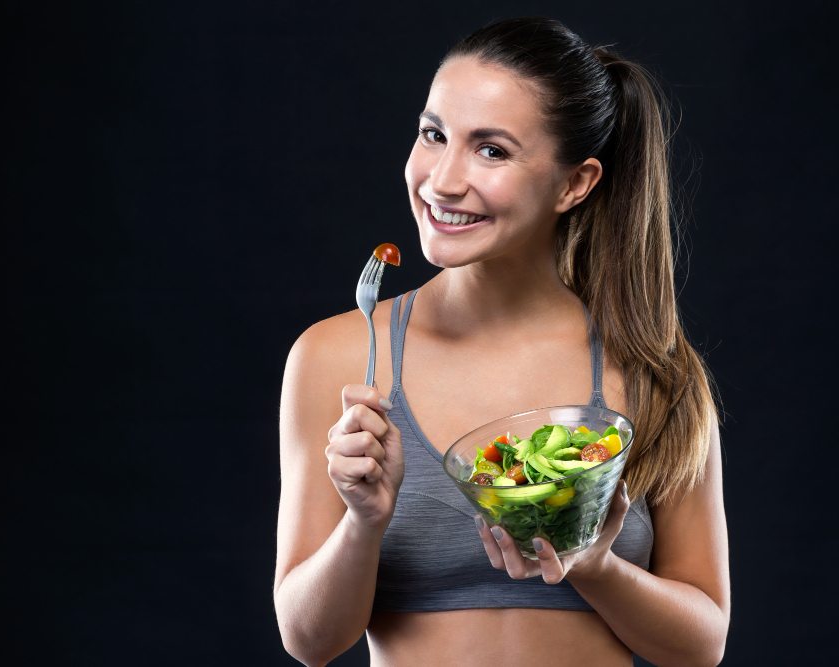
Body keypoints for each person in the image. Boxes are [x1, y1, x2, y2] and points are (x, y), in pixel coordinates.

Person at [273, 17, 730, 666]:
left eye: (492, 150)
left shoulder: (654, 367)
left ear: (576, 183)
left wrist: (594, 566)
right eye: (434, 135)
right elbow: (308, 638)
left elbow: (704, 640)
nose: (443, 180)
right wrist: (364, 521)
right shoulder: (337, 357)